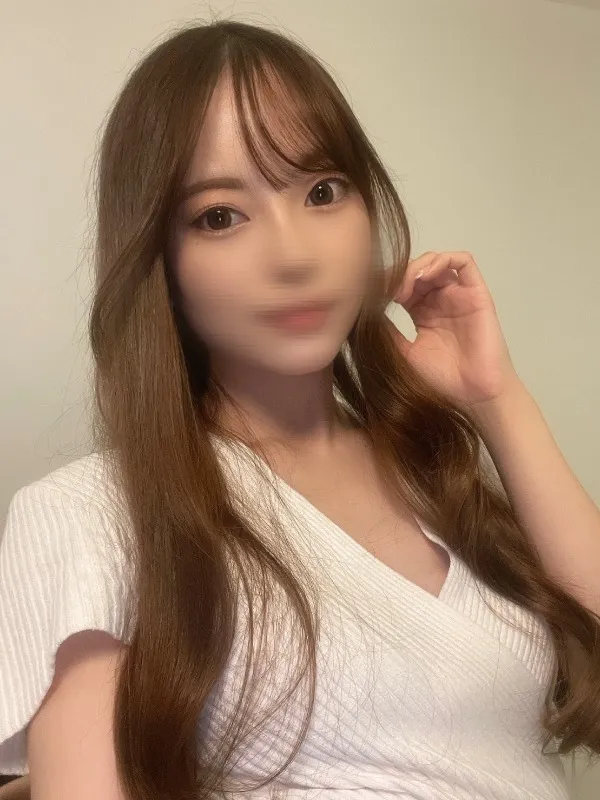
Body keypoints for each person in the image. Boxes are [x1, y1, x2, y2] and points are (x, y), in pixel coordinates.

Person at [1, 18, 599, 800]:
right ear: (160, 260)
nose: (294, 255)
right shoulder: (90, 513)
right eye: (220, 215)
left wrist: (496, 398)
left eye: (322, 191)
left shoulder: (432, 468)